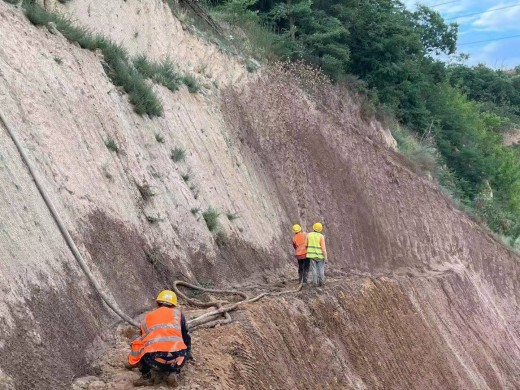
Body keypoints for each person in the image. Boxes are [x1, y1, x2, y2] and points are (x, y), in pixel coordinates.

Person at [128, 290, 192, 387]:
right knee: (181, 349)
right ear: (174, 305)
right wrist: (188, 353)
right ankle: (173, 372)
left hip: (155, 362)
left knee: (138, 342)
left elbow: (143, 340)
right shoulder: (178, 315)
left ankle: (146, 376)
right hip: (178, 360)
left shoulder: (147, 318)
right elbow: (186, 337)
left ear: (157, 303)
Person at [306, 222, 328, 287]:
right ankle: (322, 283)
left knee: (314, 269)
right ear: (320, 229)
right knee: (321, 269)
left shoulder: (308, 235)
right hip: (320, 256)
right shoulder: (321, 236)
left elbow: (306, 245)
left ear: (313, 228)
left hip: (312, 256)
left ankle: (315, 283)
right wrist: (326, 257)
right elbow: (323, 249)